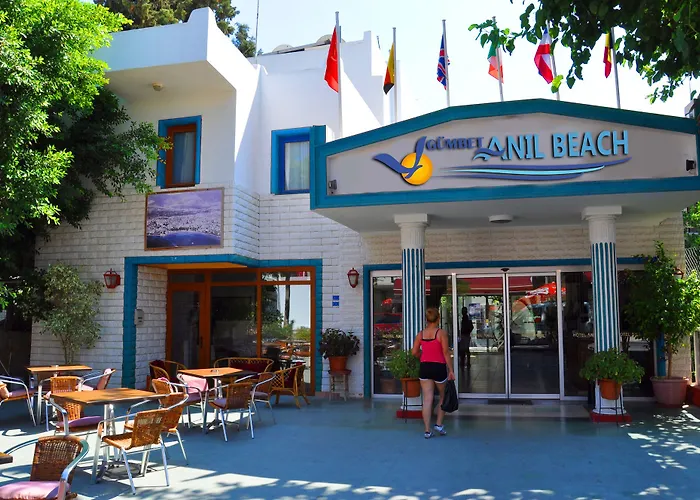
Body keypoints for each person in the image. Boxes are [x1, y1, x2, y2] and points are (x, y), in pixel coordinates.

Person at [411, 307, 455, 439]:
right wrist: (451, 370)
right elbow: (446, 352)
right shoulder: (441, 333)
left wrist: (422, 355)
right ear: (438, 318)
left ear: (426, 319)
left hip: (425, 367)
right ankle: (439, 424)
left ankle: (427, 430)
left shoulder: (420, 334)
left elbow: (414, 352)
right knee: (443, 397)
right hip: (438, 367)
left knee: (427, 399)